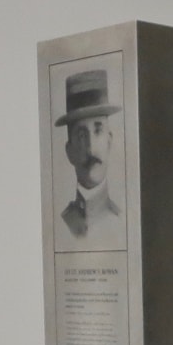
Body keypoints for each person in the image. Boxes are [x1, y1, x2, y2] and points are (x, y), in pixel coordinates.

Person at [55, 69, 122, 240]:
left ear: (109, 141)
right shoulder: (59, 225)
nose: (91, 148)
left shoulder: (122, 221)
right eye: (82, 135)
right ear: (69, 151)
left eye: (98, 130)